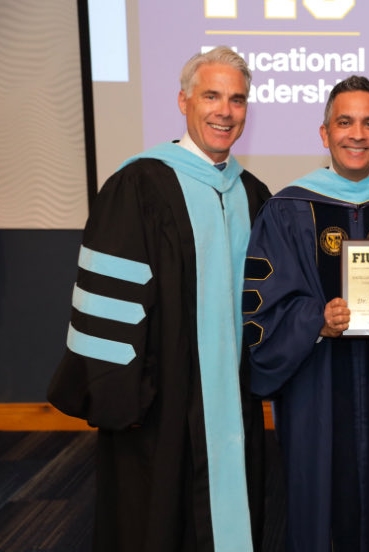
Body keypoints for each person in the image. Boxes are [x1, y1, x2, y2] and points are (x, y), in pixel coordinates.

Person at [47, 46, 272, 552]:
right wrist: (119, 395)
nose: (224, 110)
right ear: (183, 101)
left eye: (237, 100)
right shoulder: (138, 185)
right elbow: (110, 302)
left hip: (233, 399)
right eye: (211, 95)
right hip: (158, 403)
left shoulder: (252, 194)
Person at [243, 75, 369, 551]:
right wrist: (318, 321)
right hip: (316, 386)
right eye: (345, 122)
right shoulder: (287, 208)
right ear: (324, 133)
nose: (358, 134)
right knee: (319, 500)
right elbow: (264, 304)